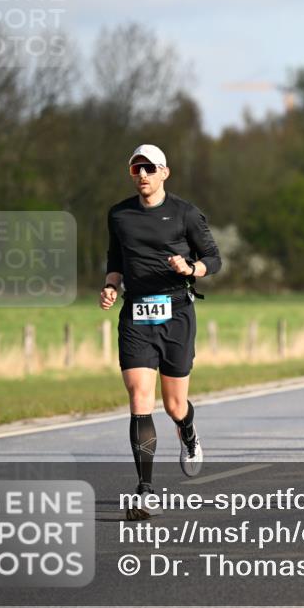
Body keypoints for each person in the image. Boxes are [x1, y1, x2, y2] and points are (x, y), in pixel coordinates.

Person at [101, 144, 221, 520]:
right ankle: (146, 489)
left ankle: (187, 431)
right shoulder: (119, 215)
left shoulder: (185, 213)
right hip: (136, 312)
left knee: (173, 405)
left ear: (164, 172)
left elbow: (213, 259)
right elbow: (116, 259)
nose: (143, 175)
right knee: (140, 398)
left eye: (149, 168)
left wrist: (190, 269)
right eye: (137, 168)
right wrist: (110, 285)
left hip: (176, 313)